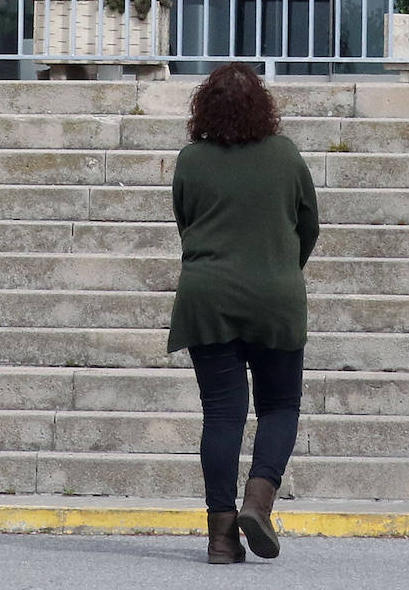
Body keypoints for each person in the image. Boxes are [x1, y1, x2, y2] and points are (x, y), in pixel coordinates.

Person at [167, 62, 320, 564]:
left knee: (221, 413)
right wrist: (280, 268)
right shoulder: (285, 155)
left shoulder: (191, 160)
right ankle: (259, 500)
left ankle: (221, 537)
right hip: (275, 296)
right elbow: (309, 225)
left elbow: (186, 222)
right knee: (280, 406)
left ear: (203, 108)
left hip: (207, 297)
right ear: (262, 107)